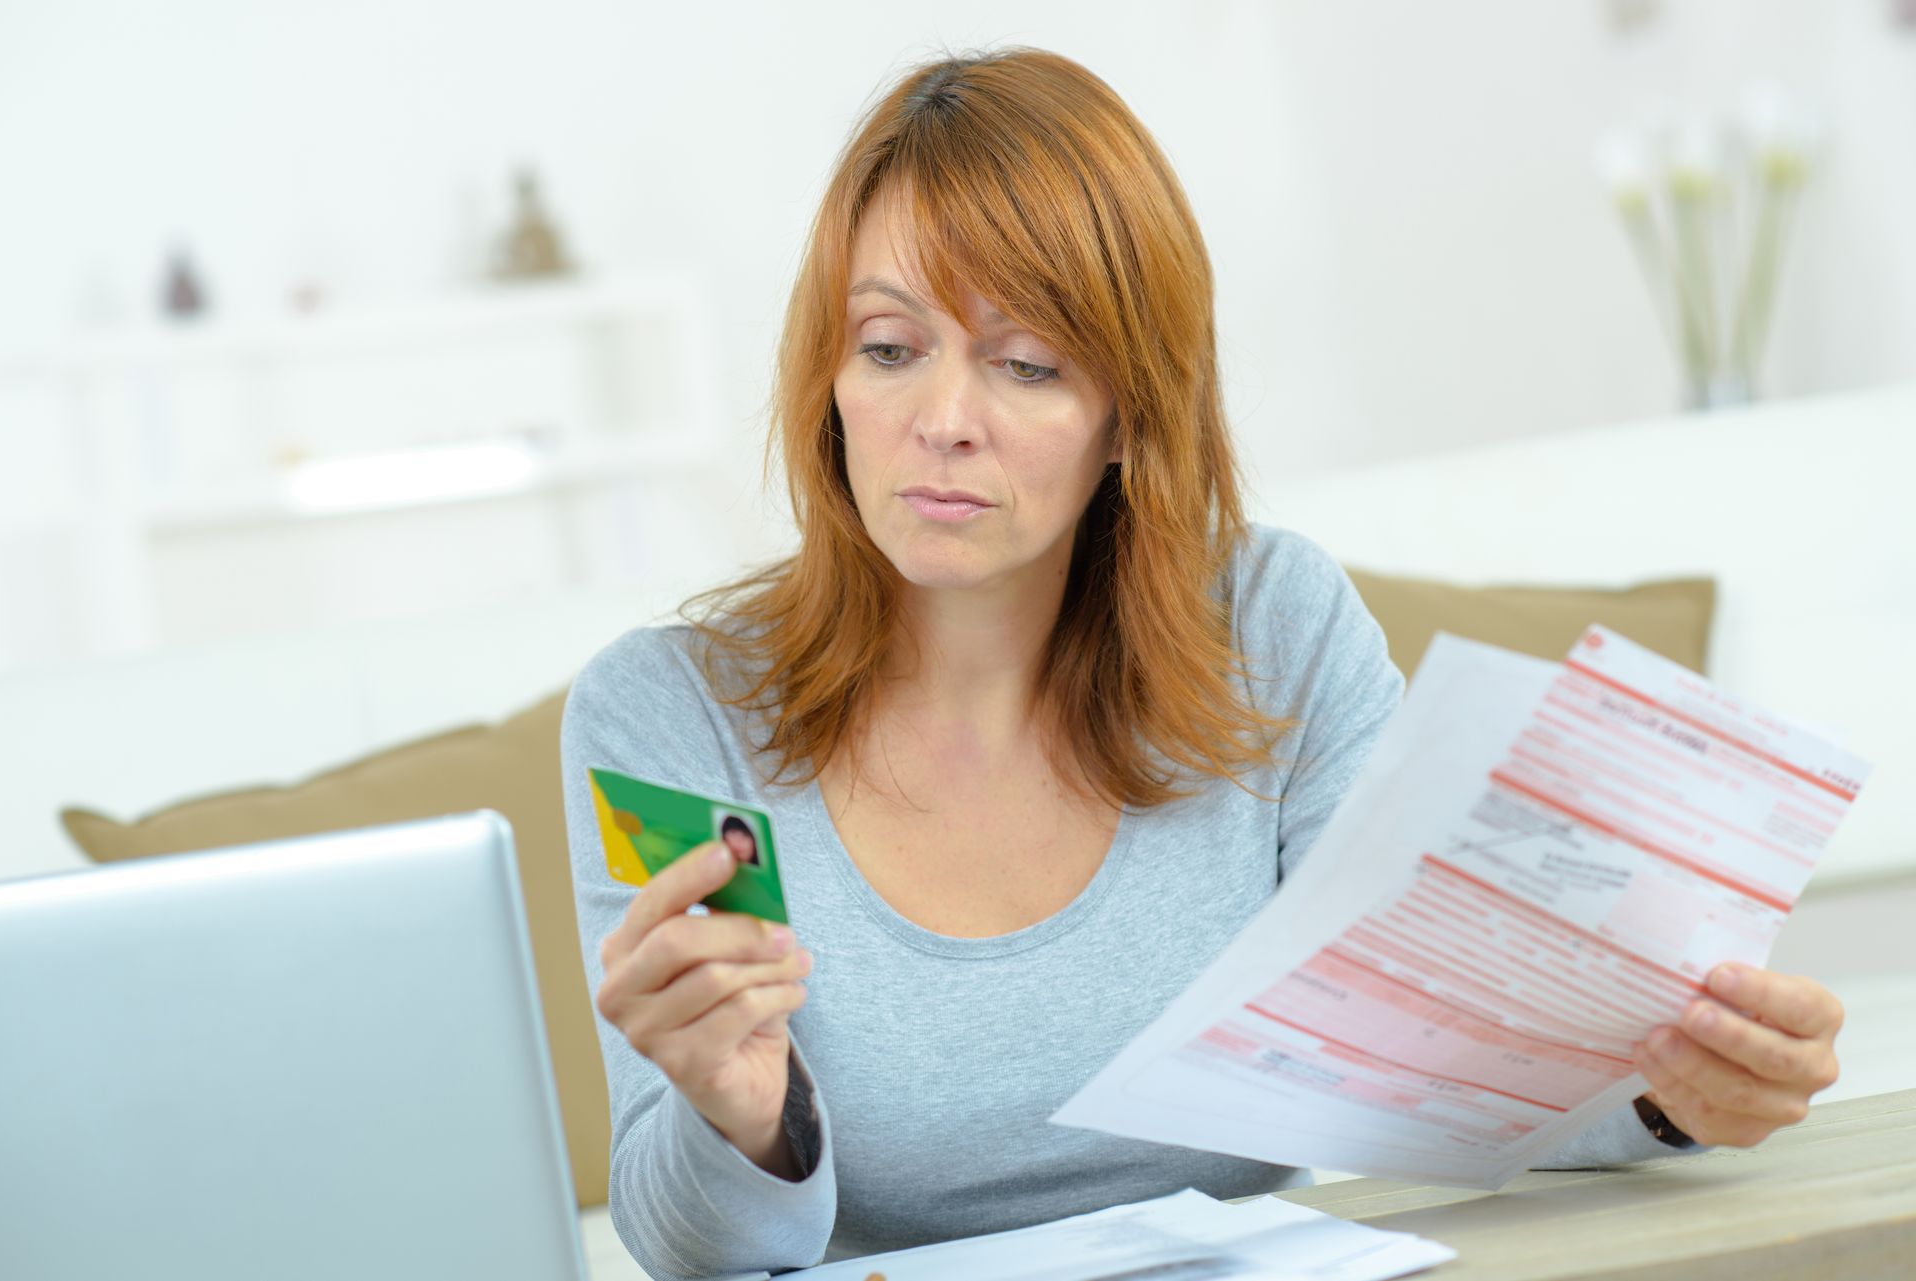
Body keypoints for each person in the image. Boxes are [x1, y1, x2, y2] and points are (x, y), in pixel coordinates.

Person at [561, 47, 1844, 1281]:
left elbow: (1435, 1066)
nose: (942, 422)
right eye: (890, 348)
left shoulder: (1275, 630)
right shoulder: (671, 720)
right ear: (826, 378)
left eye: (1025, 364)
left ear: (1130, 413)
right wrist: (740, 1117)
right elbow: (690, 1247)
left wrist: (1672, 1091)